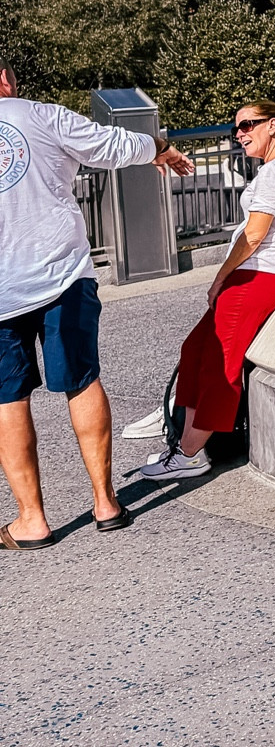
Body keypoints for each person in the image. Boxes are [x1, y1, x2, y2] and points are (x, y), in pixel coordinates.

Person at [0, 58, 193, 546]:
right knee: (82, 380)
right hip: (61, 275)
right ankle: (106, 502)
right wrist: (160, 149)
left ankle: (32, 520)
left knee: (7, 397)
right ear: (7, 79)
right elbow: (114, 145)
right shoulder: (42, 115)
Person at [137, 100, 275, 482]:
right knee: (195, 349)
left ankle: (191, 453)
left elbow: (254, 235)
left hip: (256, 276)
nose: (240, 134)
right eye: (236, 129)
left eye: (248, 125)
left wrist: (220, 277)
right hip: (270, 274)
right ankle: (187, 443)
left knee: (221, 365)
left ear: (272, 126)